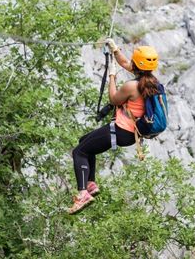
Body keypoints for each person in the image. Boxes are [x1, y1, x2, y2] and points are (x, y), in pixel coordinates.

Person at [68, 41, 160, 214]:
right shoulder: (151, 82)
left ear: (137, 64)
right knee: (85, 142)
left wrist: (112, 77)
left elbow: (114, 99)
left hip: (120, 130)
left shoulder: (131, 86)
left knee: (79, 152)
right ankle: (91, 184)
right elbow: (126, 64)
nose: (130, 62)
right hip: (130, 133)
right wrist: (115, 49)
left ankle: (82, 194)